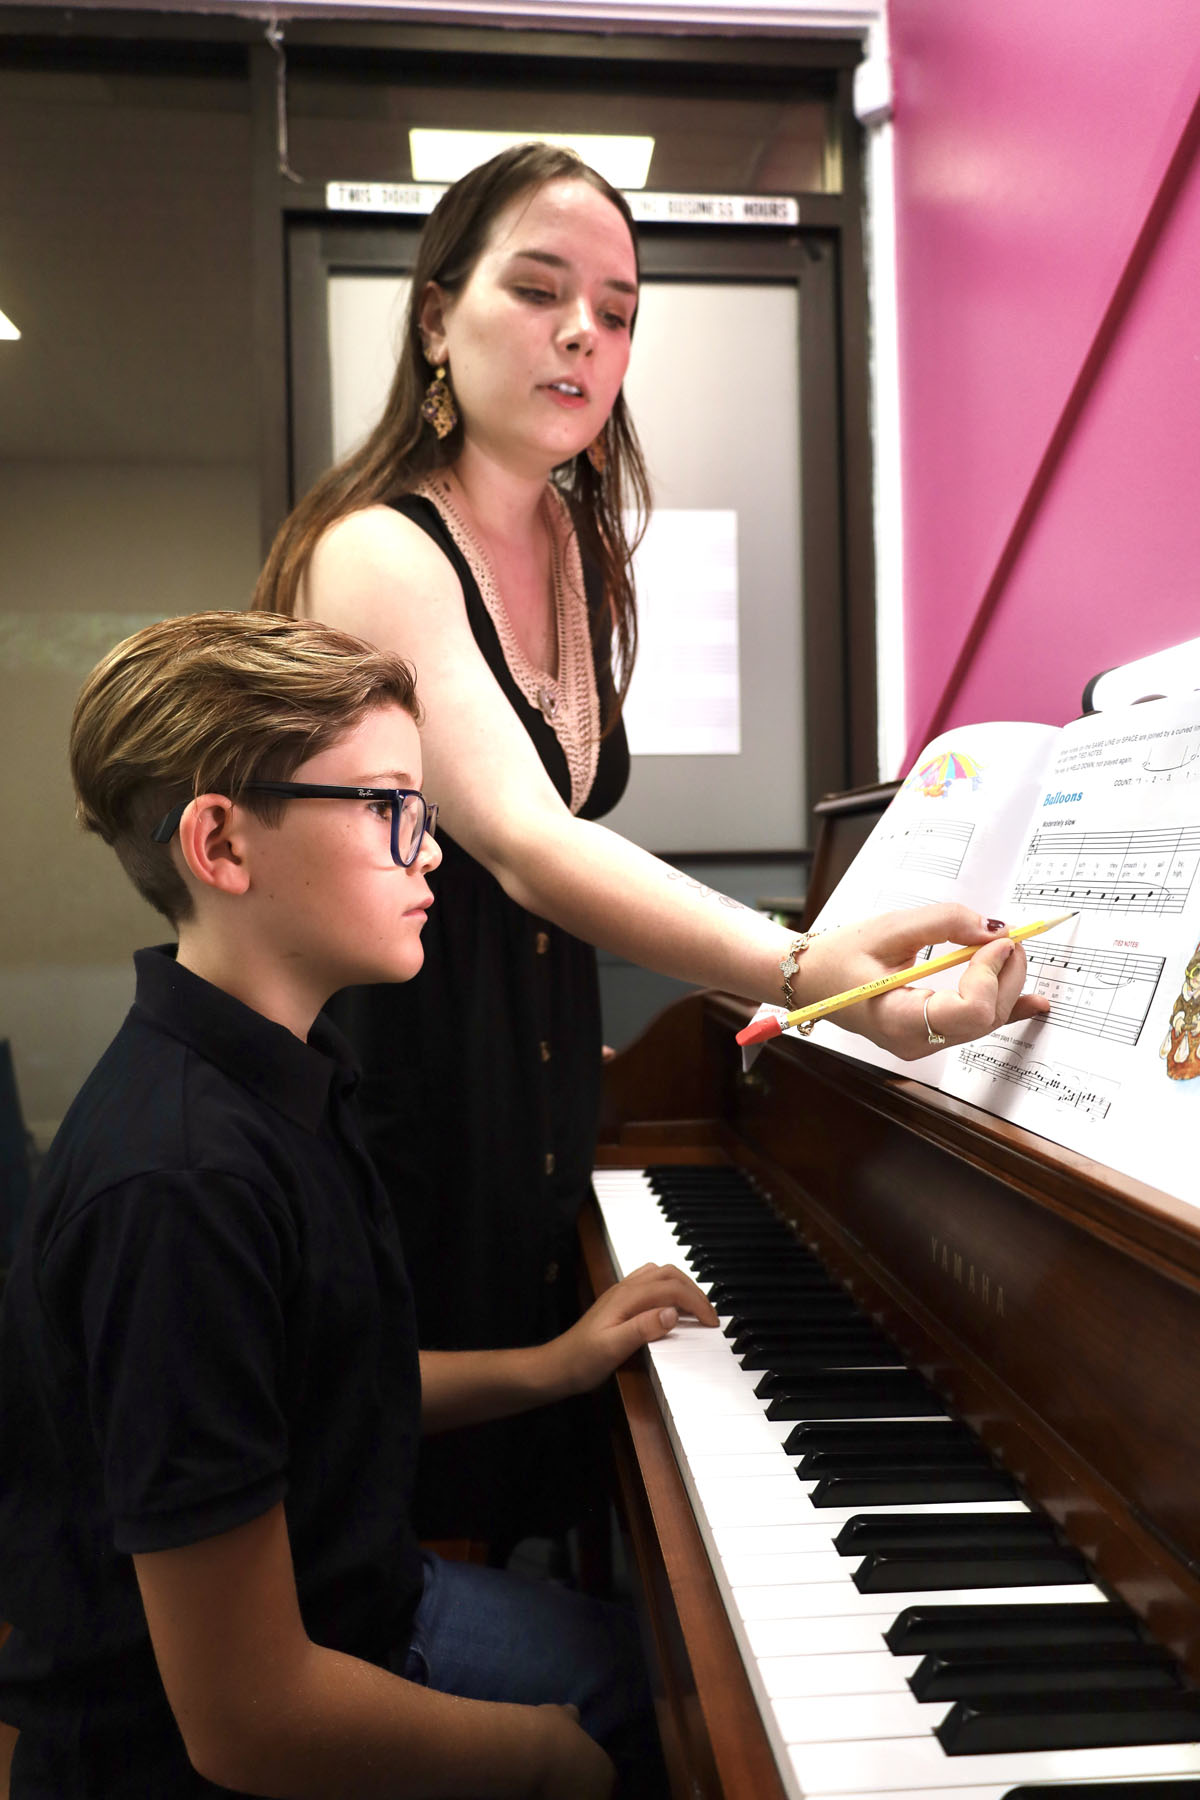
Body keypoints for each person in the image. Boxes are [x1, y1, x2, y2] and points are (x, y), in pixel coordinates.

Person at [252, 141, 1048, 1551]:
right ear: (437, 316)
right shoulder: (376, 549)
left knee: (571, 1521)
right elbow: (525, 844)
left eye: (616, 310)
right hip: (412, 1096)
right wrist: (816, 969)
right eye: (539, 289)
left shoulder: (576, 539)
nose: (582, 333)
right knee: (420, 1531)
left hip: (539, 1098)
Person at [0, 610, 716, 1799]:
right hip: (204, 1739)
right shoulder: (181, 1187)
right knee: (668, 1720)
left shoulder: (276, 1072)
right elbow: (250, 1719)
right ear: (222, 845)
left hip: (364, 1595)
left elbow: (326, 1385)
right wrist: (541, 1760)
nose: (432, 852)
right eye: (391, 808)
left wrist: (557, 1362)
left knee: (666, 1661)